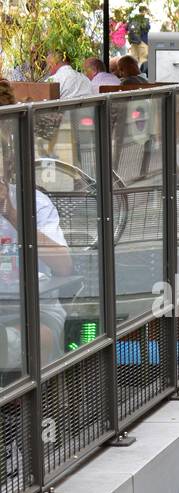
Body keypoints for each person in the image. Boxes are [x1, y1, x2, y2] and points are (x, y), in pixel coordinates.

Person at [0, 80, 72, 371]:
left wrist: (12, 215)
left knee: (18, 338)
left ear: (8, 161)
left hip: (34, 310)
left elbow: (65, 266)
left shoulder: (33, 202)